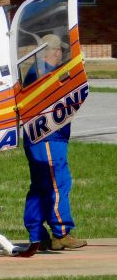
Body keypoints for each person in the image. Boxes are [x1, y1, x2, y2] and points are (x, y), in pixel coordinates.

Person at [20, 34, 87, 257]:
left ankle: (36, 233)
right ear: (55, 52)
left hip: (40, 138)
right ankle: (61, 232)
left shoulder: (37, 71)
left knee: (40, 187)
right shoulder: (44, 73)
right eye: (61, 53)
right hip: (49, 137)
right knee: (58, 183)